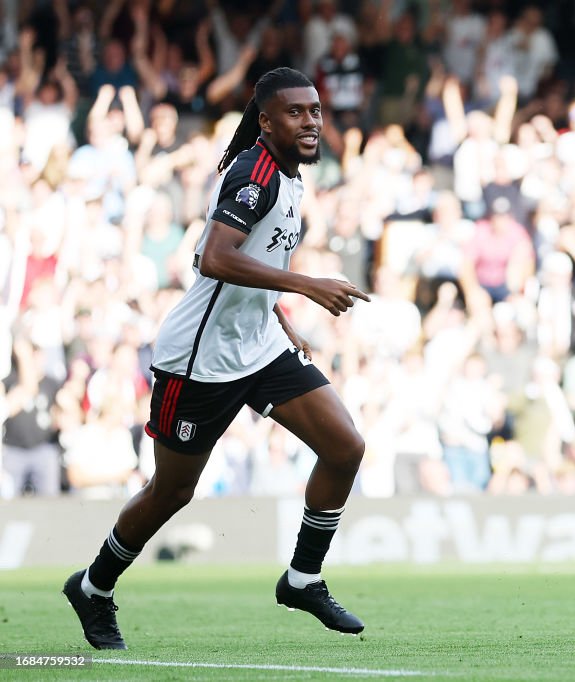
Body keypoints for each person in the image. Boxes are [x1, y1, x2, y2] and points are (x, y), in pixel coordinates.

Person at [63, 67, 370, 650]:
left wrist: (276, 314)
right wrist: (304, 285)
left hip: (257, 343)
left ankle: (303, 578)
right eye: (296, 113)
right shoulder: (255, 174)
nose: (311, 121)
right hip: (200, 360)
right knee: (173, 491)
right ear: (266, 121)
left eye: (315, 110)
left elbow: (255, 258)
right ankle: (94, 587)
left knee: (345, 447)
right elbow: (214, 258)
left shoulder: (291, 172)